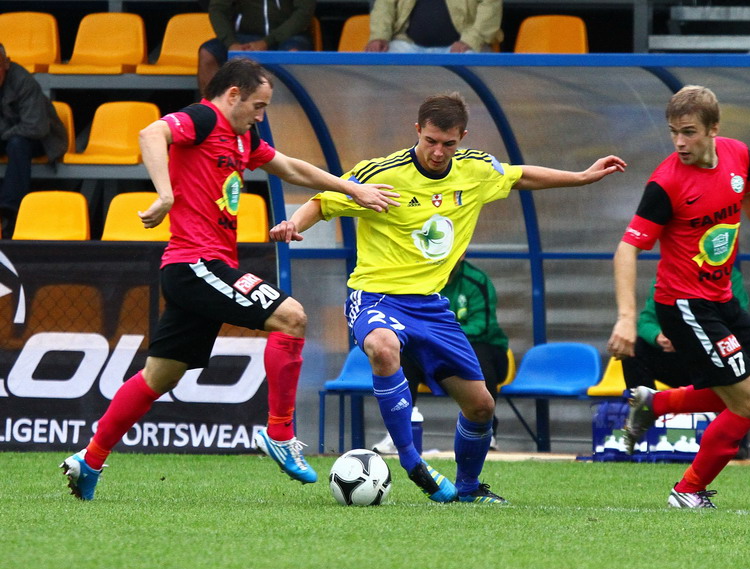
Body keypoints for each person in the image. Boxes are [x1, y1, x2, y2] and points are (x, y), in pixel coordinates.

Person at [60, 58, 398, 501]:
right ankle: (279, 434)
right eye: (258, 106)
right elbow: (150, 134)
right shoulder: (204, 118)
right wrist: (165, 194)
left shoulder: (244, 137)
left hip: (197, 270)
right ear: (233, 95)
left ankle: (90, 458)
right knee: (291, 317)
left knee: (158, 377)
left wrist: (353, 189)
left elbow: (292, 168)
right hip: (197, 264)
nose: (262, 115)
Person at [271, 92, 626, 504]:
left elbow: (519, 176)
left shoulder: (475, 170)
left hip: (431, 306)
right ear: (417, 130)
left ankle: (470, 490)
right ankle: (411, 460)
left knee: (480, 407)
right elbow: (323, 200)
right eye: (431, 141)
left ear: (462, 138)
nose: (439, 152)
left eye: (449, 144)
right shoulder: (382, 173)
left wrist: (581, 177)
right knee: (383, 347)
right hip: (377, 295)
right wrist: (292, 223)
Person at [607, 85, 750, 509]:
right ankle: (687, 491)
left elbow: (748, 195)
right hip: (684, 305)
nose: (680, 142)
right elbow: (626, 249)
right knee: (748, 406)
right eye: (673, 132)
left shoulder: (738, 154)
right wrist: (627, 317)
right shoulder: (666, 183)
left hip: (722, 299)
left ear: (713, 129)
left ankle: (655, 404)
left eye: (688, 132)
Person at [372, 256, 509, 453]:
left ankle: (485, 433)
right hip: (434, 347)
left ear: (461, 253)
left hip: (481, 347)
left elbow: (482, 326)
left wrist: (443, 334)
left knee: (480, 355)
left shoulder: (477, 280)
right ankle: (397, 435)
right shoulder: (422, 279)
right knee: (404, 357)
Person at [623, 267, 749, 390]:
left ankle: (723, 405)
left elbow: (736, 322)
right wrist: (658, 336)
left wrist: (686, 339)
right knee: (633, 349)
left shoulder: (729, 275)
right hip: (678, 359)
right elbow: (646, 321)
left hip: (712, 356)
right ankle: (645, 407)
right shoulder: (665, 276)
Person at [0, 43, 67, 238]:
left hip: (40, 139)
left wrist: (4, 134)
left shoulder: (22, 80)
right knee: (14, 142)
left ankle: (7, 209)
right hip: (8, 134)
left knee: (18, 144)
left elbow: (36, 127)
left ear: (6, 64)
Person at [198, 0, 316, 94]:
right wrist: (231, 43)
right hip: (243, 35)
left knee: (292, 55)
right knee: (207, 54)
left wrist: (267, 42)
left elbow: (304, 12)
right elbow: (218, 9)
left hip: (288, 36)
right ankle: (213, 116)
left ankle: (291, 116)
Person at [365, 0, 502, 53]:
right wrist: (379, 37)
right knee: (379, 59)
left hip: (460, 48)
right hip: (407, 45)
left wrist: (470, 41)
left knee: (472, 59)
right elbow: (384, 6)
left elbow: (491, 7)